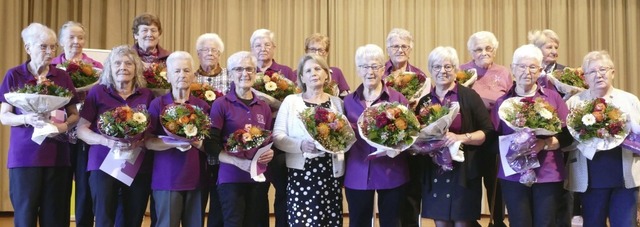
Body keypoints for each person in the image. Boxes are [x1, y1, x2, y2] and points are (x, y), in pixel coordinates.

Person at [0, 22, 79, 227]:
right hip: (24, 157)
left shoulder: (62, 76)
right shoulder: (14, 75)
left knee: (55, 218)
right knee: (25, 217)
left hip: (57, 156)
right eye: (43, 46)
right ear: (28, 48)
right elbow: (5, 116)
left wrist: (63, 127)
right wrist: (26, 118)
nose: (49, 51)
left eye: (52, 47)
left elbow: (74, 114)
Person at [492, 44, 572, 227]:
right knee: (519, 223)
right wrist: (516, 144)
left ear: (540, 71)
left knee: (546, 223)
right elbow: (492, 139)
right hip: (513, 175)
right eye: (521, 66)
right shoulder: (502, 103)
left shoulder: (553, 98)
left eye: (532, 67)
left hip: (548, 173)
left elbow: (568, 135)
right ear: (513, 69)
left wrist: (544, 143)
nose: (526, 72)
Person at [76, 45, 154, 227]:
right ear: (109, 67)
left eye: (128, 63)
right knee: (104, 218)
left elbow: (151, 131)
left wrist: (139, 141)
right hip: (102, 163)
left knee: (133, 218)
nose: (123, 67)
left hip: (136, 164)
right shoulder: (98, 92)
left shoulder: (147, 95)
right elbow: (81, 130)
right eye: (117, 63)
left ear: (136, 68)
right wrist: (107, 141)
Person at [417, 47, 493, 227]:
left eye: (447, 66)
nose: (442, 71)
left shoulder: (469, 96)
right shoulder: (425, 101)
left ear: (455, 69)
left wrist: (461, 137)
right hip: (435, 169)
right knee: (441, 223)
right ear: (430, 70)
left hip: (463, 172)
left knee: (462, 223)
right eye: (436, 67)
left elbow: (487, 132)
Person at [565, 50, 640, 227]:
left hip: (624, 180)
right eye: (592, 72)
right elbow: (565, 143)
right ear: (585, 77)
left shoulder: (629, 100)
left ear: (612, 72)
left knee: (625, 224)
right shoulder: (574, 103)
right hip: (590, 180)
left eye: (603, 69)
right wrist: (586, 138)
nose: (598, 75)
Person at [273, 54, 345, 226]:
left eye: (318, 68)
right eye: (308, 70)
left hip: (331, 174)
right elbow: (277, 137)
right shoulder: (291, 102)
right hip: (302, 174)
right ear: (302, 77)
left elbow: (345, 135)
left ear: (326, 74)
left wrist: (337, 143)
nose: (314, 73)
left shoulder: (337, 103)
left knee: (330, 221)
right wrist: (300, 145)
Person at [343, 44, 409, 227]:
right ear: (358, 70)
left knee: (392, 222)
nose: (370, 72)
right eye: (364, 67)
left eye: (374, 66)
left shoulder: (398, 99)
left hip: (392, 170)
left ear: (382, 69)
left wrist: (397, 147)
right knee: (357, 222)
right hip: (358, 170)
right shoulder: (347, 102)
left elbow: (410, 134)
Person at [209, 51, 275, 226]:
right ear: (230, 74)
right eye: (239, 69)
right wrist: (237, 162)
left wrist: (270, 154)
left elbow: (267, 140)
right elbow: (211, 144)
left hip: (257, 177)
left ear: (255, 73)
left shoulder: (264, 106)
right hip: (230, 177)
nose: (245, 73)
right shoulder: (221, 104)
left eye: (249, 69)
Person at [145, 51, 207, 227]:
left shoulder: (201, 106)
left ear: (193, 75)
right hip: (167, 178)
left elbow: (207, 145)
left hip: (196, 179)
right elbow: (148, 141)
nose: (182, 75)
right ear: (168, 76)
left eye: (187, 71)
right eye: (177, 71)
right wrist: (173, 142)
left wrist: (196, 142)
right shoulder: (158, 104)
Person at [51, 21, 104, 227]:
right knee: (59, 187)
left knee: (84, 188)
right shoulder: (52, 66)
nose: (76, 42)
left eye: (80, 37)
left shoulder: (96, 68)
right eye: (71, 37)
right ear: (61, 41)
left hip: (85, 134)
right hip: (58, 134)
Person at [459, 31, 512, 227]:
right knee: (470, 181)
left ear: (495, 50)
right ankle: (470, 221)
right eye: (478, 49)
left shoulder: (504, 72)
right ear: (471, 52)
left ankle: (497, 221)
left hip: (495, 135)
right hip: (469, 135)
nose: (483, 52)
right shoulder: (461, 71)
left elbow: (510, 101)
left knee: (494, 182)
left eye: (488, 48)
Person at [528, 29, 576, 227]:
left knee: (561, 191)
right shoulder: (528, 71)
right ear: (537, 50)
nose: (554, 50)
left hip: (559, 138)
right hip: (531, 142)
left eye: (556, 47)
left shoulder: (567, 74)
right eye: (549, 46)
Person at [383, 28, 428, 227]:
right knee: (388, 196)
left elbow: (425, 110)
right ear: (388, 49)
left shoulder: (420, 77)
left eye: (404, 46)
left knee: (411, 194)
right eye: (395, 46)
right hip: (385, 141)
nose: (400, 50)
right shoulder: (378, 71)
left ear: (410, 49)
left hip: (411, 142)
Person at [250, 28, 293, 227]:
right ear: (252, 49)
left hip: (279, 142)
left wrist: (277, 109)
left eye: (267, 44)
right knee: (257, 192)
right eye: (258, 45)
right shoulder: (245, 71)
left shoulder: (286, 73)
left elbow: (294, 104)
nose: (263, 49)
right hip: (253, 142)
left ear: (274, 48)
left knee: (283, 190)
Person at [194, 33, 226, 227]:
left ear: (220, 53)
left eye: (214, 50)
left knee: (218, 205)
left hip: (219, 147)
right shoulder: (191, 77)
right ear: (198, 53)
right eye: (205, 49)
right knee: (196, 204)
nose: (210, 53)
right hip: (194, 149)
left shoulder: (230, 75)